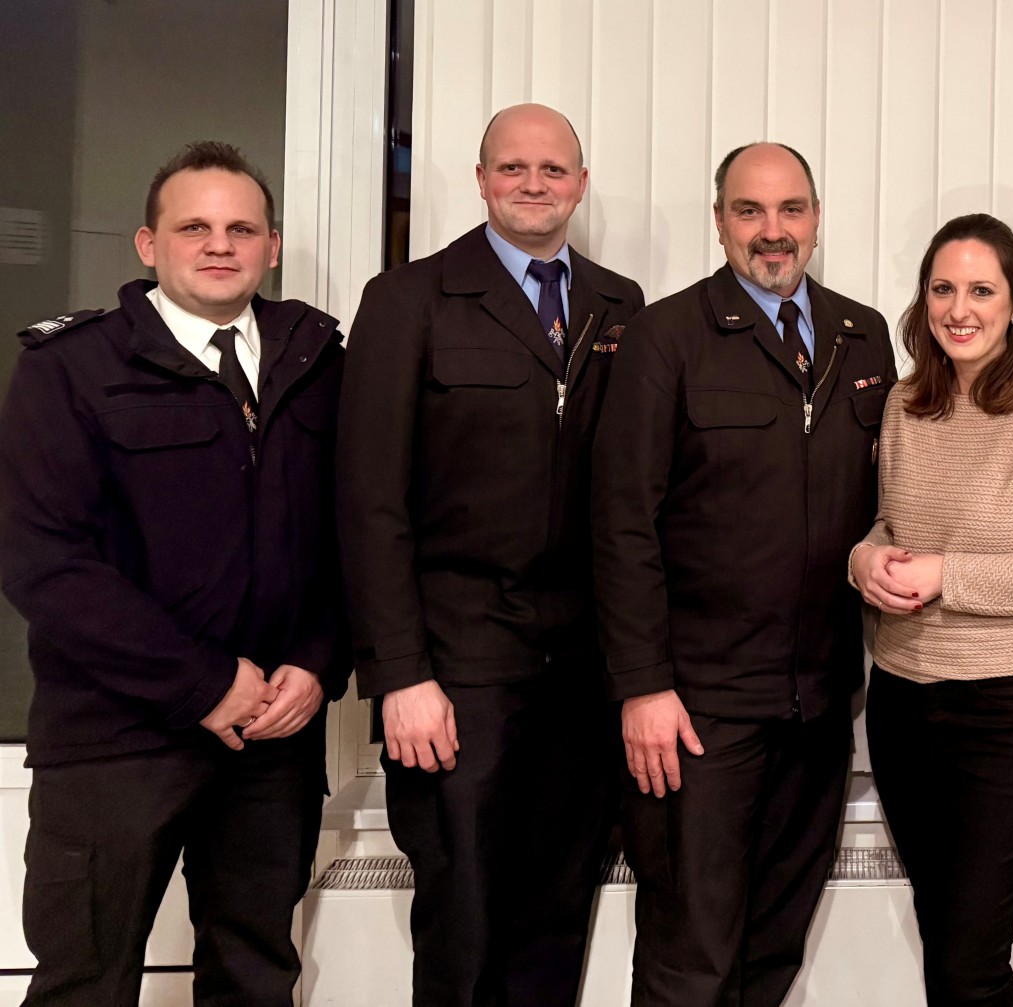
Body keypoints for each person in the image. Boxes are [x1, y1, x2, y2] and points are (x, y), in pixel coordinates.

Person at [0, 140, 346, 1006]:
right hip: (114, 739)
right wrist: (202, 682)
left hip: (273, 738)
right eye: (194, 226)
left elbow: (354, 533)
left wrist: (317, 659)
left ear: (272, 244)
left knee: (255, 977)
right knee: (87, 980)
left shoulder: (318, 361)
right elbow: (44, 561)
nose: (219, 244)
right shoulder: (70, 367)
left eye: (242, 227)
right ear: (149, 244)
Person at [336, 103, 645, 1006]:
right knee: (464, 921)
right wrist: (399, 674)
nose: (534, 184)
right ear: (480, 180)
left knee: (557, 920)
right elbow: (369, 502)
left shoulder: (618, 305)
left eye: (553, 170)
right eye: (513, 168)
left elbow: (633, 497)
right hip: (456, 669)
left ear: (581, 186)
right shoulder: (408, 299)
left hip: (582, 672)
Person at [592, 141, 896, 1007]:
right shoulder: (665, 336)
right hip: (698, 709)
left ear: (816, 218)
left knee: (771, 952)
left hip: (819, 701)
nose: (774, 232)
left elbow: (895, 493)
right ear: (719, 221)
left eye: (791, 210)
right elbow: (621, 524)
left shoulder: (860, 332)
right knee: (692, 961)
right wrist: (642, 687)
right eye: (751, 211)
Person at [851, 212, 1013, 1007]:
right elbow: (891, 525)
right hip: (902, 708)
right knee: (948, 947)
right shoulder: (906, 403)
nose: (959, 308)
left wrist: (947, 575)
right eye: (943, 288)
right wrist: (864, 557)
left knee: (969, 959)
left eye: (980, 290)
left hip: (1011, 715)